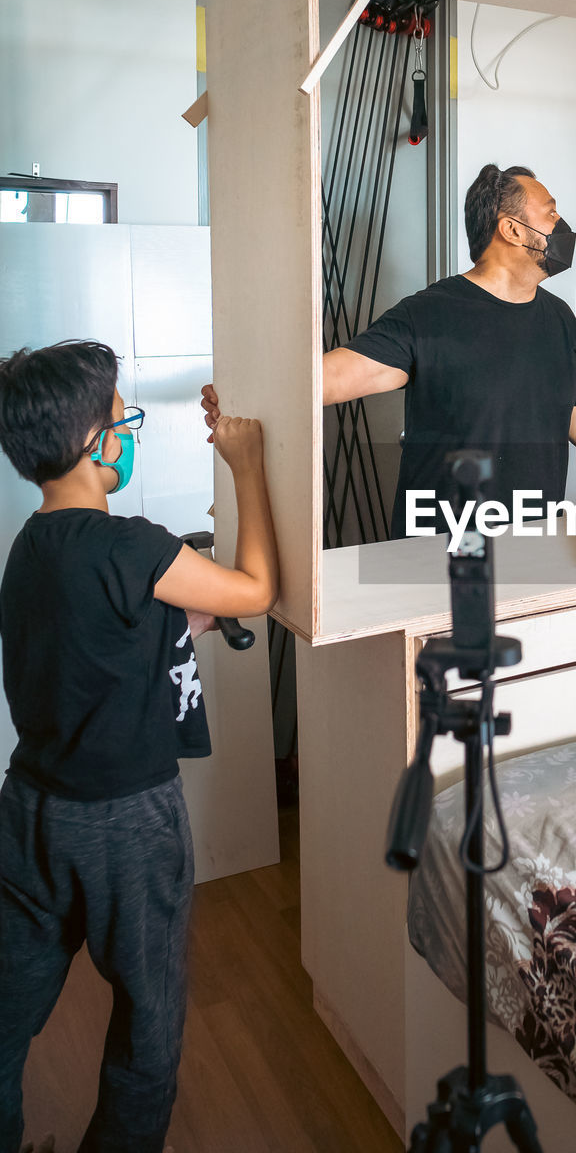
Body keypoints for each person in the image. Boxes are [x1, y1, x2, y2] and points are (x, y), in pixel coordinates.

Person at [0, 340, 279, 1153]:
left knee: (7, 1017)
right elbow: (258, 592)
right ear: (96, 439)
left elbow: (101, 640)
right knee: (148, 1030)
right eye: (121, 414)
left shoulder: (28, 550)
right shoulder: (132, 546)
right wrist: (249, 465)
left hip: (27, 815)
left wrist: (177, 618)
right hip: (127, 824)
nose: (127, 427)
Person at [201, 163, 576, 536]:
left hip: (535, 545)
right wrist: (245, 393)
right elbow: (331, 380)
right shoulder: (430, 313)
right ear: (514, 230)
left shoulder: (559, 318)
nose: (563, 229)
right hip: (439, 553)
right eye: (551, 215)